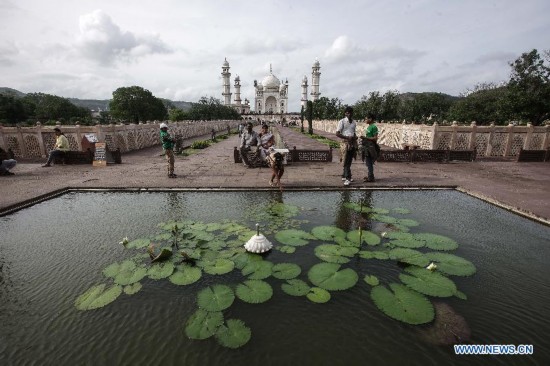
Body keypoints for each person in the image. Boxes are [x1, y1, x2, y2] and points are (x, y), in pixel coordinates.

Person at [335, 106, 358, 186]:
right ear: (345, 113)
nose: (349, 114)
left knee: (349, 160)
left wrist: (355, 137)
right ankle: (348, 178)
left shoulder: (354, 122)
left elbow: (353, 132)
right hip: (345, 143)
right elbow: (337, 133)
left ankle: (344, 175)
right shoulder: (342, 122)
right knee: (346, 160)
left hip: (352, 143)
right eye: (348, 113)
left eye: (351, 112)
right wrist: (347, 137)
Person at [360, 115, 379, 182]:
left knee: (369, 162)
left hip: (371, 147)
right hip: (367, 146)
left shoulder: (374, 127)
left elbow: (375, 138)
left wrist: (365, 138)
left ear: (370, 119)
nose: (365, 120)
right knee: (368, 162)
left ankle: (371, 177)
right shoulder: (369, 126)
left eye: (366, 119)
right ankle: (370, 175)